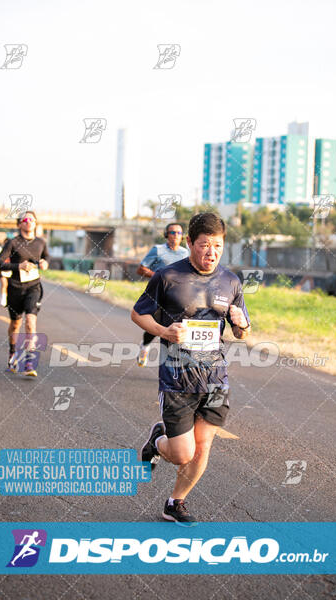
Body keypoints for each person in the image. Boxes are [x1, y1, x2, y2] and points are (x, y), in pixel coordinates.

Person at [131, 213, 251, 525]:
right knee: (182, 453)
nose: (211, 252)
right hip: (176, 380)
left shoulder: (231, 281)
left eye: (218, 246)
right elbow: (138, 314)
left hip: (214, 380)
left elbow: (242, 332)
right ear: (189, 244)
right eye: (204, 245)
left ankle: (176, 502)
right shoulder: (167, 277)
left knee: (203, 446)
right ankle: (158, 440)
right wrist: (164, 331)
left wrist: (242, 325)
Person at [0, 211, 49, 376]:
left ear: (35, 223)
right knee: (15, 325)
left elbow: (46, 258)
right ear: (19, 224)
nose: (29, 222)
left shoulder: (41, 242)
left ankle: (29, 362)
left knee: (30, 323)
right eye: (25, 220)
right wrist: (19, 266)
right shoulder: (12, 243)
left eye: (32, 219)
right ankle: (12, 354)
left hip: (34, 287)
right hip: (15, 288)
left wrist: (44, 263)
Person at [136, 222, 189, 367]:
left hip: (177, 296)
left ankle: (173, 363)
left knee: (177, 326)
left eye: (179, 233)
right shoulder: (158, 250)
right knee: (156, 325)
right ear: (166, 235)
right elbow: (141, 269)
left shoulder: (185, 253)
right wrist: (160, 276)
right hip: (159, 294)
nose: (176, 235)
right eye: (172, 232)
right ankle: (145, 346)